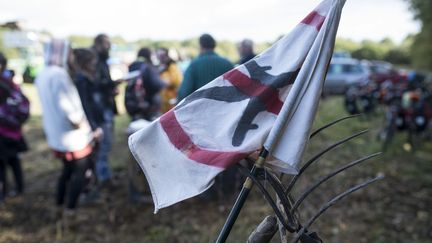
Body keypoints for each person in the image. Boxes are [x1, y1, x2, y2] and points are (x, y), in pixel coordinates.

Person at [35, 40, 102, 214]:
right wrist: (86, 128)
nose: (73, 58)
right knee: (80, 171)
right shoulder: (59, 75)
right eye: (70, 53)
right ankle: (70, 207)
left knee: (67, 169)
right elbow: (70, 110)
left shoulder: (43, 73)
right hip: (73, 136)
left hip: (56, 133)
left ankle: (59, 201)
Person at [0, 52, 29, 203]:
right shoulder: (11, 83)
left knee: (2, 165)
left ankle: (3, 194)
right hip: (13, 132)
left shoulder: (5, 85)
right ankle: (19, 188)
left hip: (4, 134)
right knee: (14, 161)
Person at [177, 34, 234, 101]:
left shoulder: (194, 65)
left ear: (200, 46)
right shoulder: (227, 64)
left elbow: (184, 92)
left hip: (200, 109)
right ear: (214, 45)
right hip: (226, 109)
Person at [92, 34, 116, 185]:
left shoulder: (101, 59)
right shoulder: (94, 60)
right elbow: (96, 84)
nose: (109, 47)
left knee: (106, 143)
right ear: (99, 44)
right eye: (107, 44)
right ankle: (103, 176)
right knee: (104, 143)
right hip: (100, 108)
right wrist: (110, 85)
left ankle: (103, 173)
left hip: (104, 105)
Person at [126, 47, 165, 121]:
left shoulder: (132, 66)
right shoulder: (148, 66)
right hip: (149, 106)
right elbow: (156, 84)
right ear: (149, 55)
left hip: (135, 106)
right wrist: (164, 83)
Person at [157, 48, 183, 113]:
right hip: (163, 102)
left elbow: (177, 81)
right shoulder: (159, 68)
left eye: (162, 56)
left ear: (167, 56)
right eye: (159, 56)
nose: (161, 59)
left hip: (172, 99)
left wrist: (164, 83)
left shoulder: (172, 66)